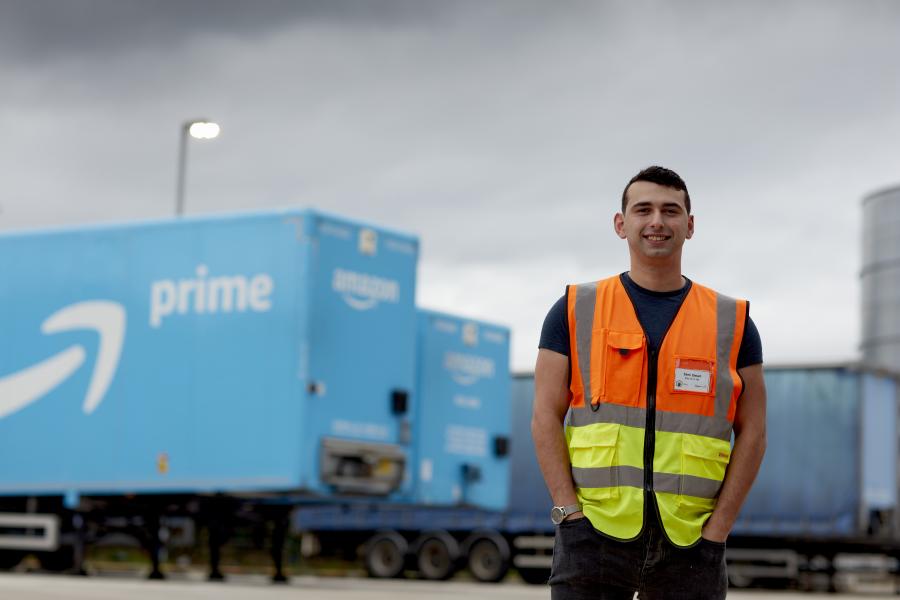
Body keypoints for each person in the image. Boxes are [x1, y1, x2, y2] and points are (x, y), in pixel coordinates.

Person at [532, 166, 766, 600]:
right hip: (592, 537)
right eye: (643, 209)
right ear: (621, 224)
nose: (657, 221)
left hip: (693, 543)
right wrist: (568, 513)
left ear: (690, 226)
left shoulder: (732, 322)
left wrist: (718, 531)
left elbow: (753, 432)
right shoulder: (574, 309)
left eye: (670, 210)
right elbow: (544, 415)